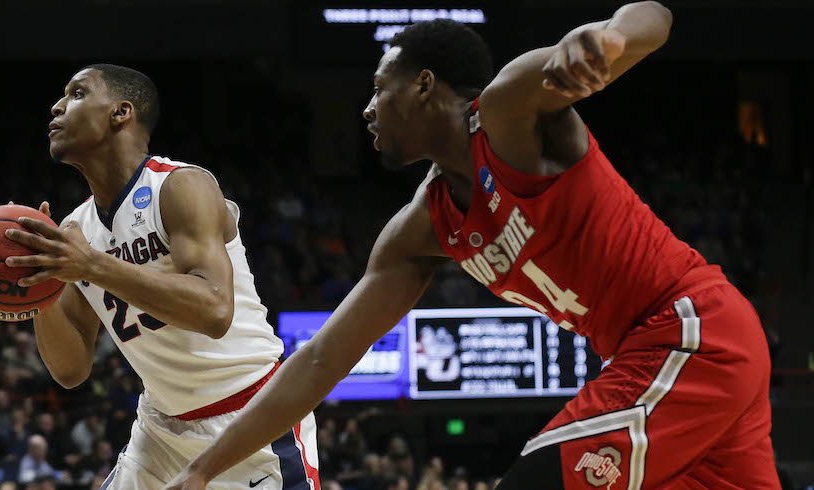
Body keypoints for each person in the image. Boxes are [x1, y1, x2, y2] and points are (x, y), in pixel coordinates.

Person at [165, 3, 779, 489]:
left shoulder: (510, 111)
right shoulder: (421, 230)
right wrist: (203, 469)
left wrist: (612, 36)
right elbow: (322, 361)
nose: (368, 109)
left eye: (381, 89)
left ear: (425, 85)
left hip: (688, 329)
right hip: (644, 356)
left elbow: (657, 16)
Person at [4, 64, 318, 489]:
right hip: (159, 429)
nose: (56, 107)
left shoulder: (183, 187)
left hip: (253, 418)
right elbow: (71, 368)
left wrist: (92, 265)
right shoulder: (76, 229)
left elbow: (214, 310)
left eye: (77, 93)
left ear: (121, 112)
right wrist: (39, 290)